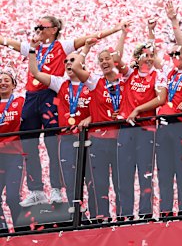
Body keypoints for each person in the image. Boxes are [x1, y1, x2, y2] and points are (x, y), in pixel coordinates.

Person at [0, 17, 126, 207]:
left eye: (43, 26)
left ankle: (56, 188)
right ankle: (36, 190)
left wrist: (115, 29)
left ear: (54, 29)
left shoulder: (63, 46)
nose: (38, 29)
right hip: (31, 96)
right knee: (28, 141)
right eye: (37, 26)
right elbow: (9, 42)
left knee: (52, 142)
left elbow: (90, 37)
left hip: (50, 94)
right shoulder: (32, 47)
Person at [71, 26, 131, 220]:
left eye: (107, 59)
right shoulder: (95, 81)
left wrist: (123, 34)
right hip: (99, 140)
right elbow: (76, 68)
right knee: (99, 181)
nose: (104, 62)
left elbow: (119, 56)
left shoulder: (126, 80)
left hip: (121, 138)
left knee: (121, 180)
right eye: (101, 60)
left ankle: (123, 216)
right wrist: (86, 49)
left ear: (114, 61)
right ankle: (100, 216)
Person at [28, 41, 92, 215]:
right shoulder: (60, 83)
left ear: (81, 64)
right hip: (66, 138)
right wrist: (32, 50)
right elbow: (35, 72)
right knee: (70, 177)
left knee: (91, 176)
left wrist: (89, 118)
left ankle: (94, 212)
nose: (69, 63)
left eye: (73, 60)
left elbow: (100, 107)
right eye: (66, 61)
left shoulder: (91, 82)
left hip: (88, 137)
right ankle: (76, 211)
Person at [116, 20, 167, 218]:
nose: (148, 58)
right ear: (136, 59)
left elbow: (161, 99)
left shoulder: (158, 76)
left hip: (147, 129)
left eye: (151, 56)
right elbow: (115, 59)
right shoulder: (129, 74)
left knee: (145, 173)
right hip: (126, 129)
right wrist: (122, 34)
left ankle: (145, 213)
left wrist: (138, 109)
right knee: (124, 174)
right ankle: (125, 214)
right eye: (144, 56)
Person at [155, 2, 182, 216]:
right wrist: (151, 32)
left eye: (177, 55)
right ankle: (165, 210)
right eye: (172, 55)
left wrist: (173, 22)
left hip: (180, 125)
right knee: (164, 171)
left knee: (181, 169)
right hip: (163, 126)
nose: (173, 57)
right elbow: (150, 57)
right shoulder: (169, 74)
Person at [0, 71, 24, 228]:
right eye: (0, 80)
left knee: (13, 196)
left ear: (14, 84)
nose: (2, 82)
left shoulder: (21, 101)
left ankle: (20, 227)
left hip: (14, 154)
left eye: (6, 80)